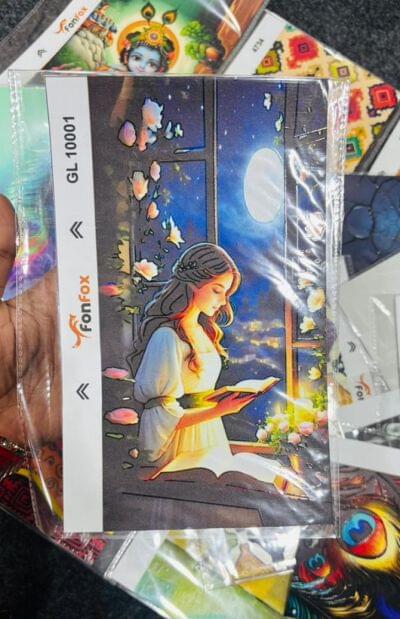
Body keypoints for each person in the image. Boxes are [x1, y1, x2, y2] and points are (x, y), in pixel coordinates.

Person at [129, 242, 307, 495]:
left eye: (225, 293)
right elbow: (159, 415)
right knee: (198, 490)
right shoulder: (166, 337)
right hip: (178, 442)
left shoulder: (202, 331)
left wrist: (225, 400)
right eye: (216, 290)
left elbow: (197, 390)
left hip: (208, 433)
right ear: (193, 284)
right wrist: (221, 409)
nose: (223, 301)